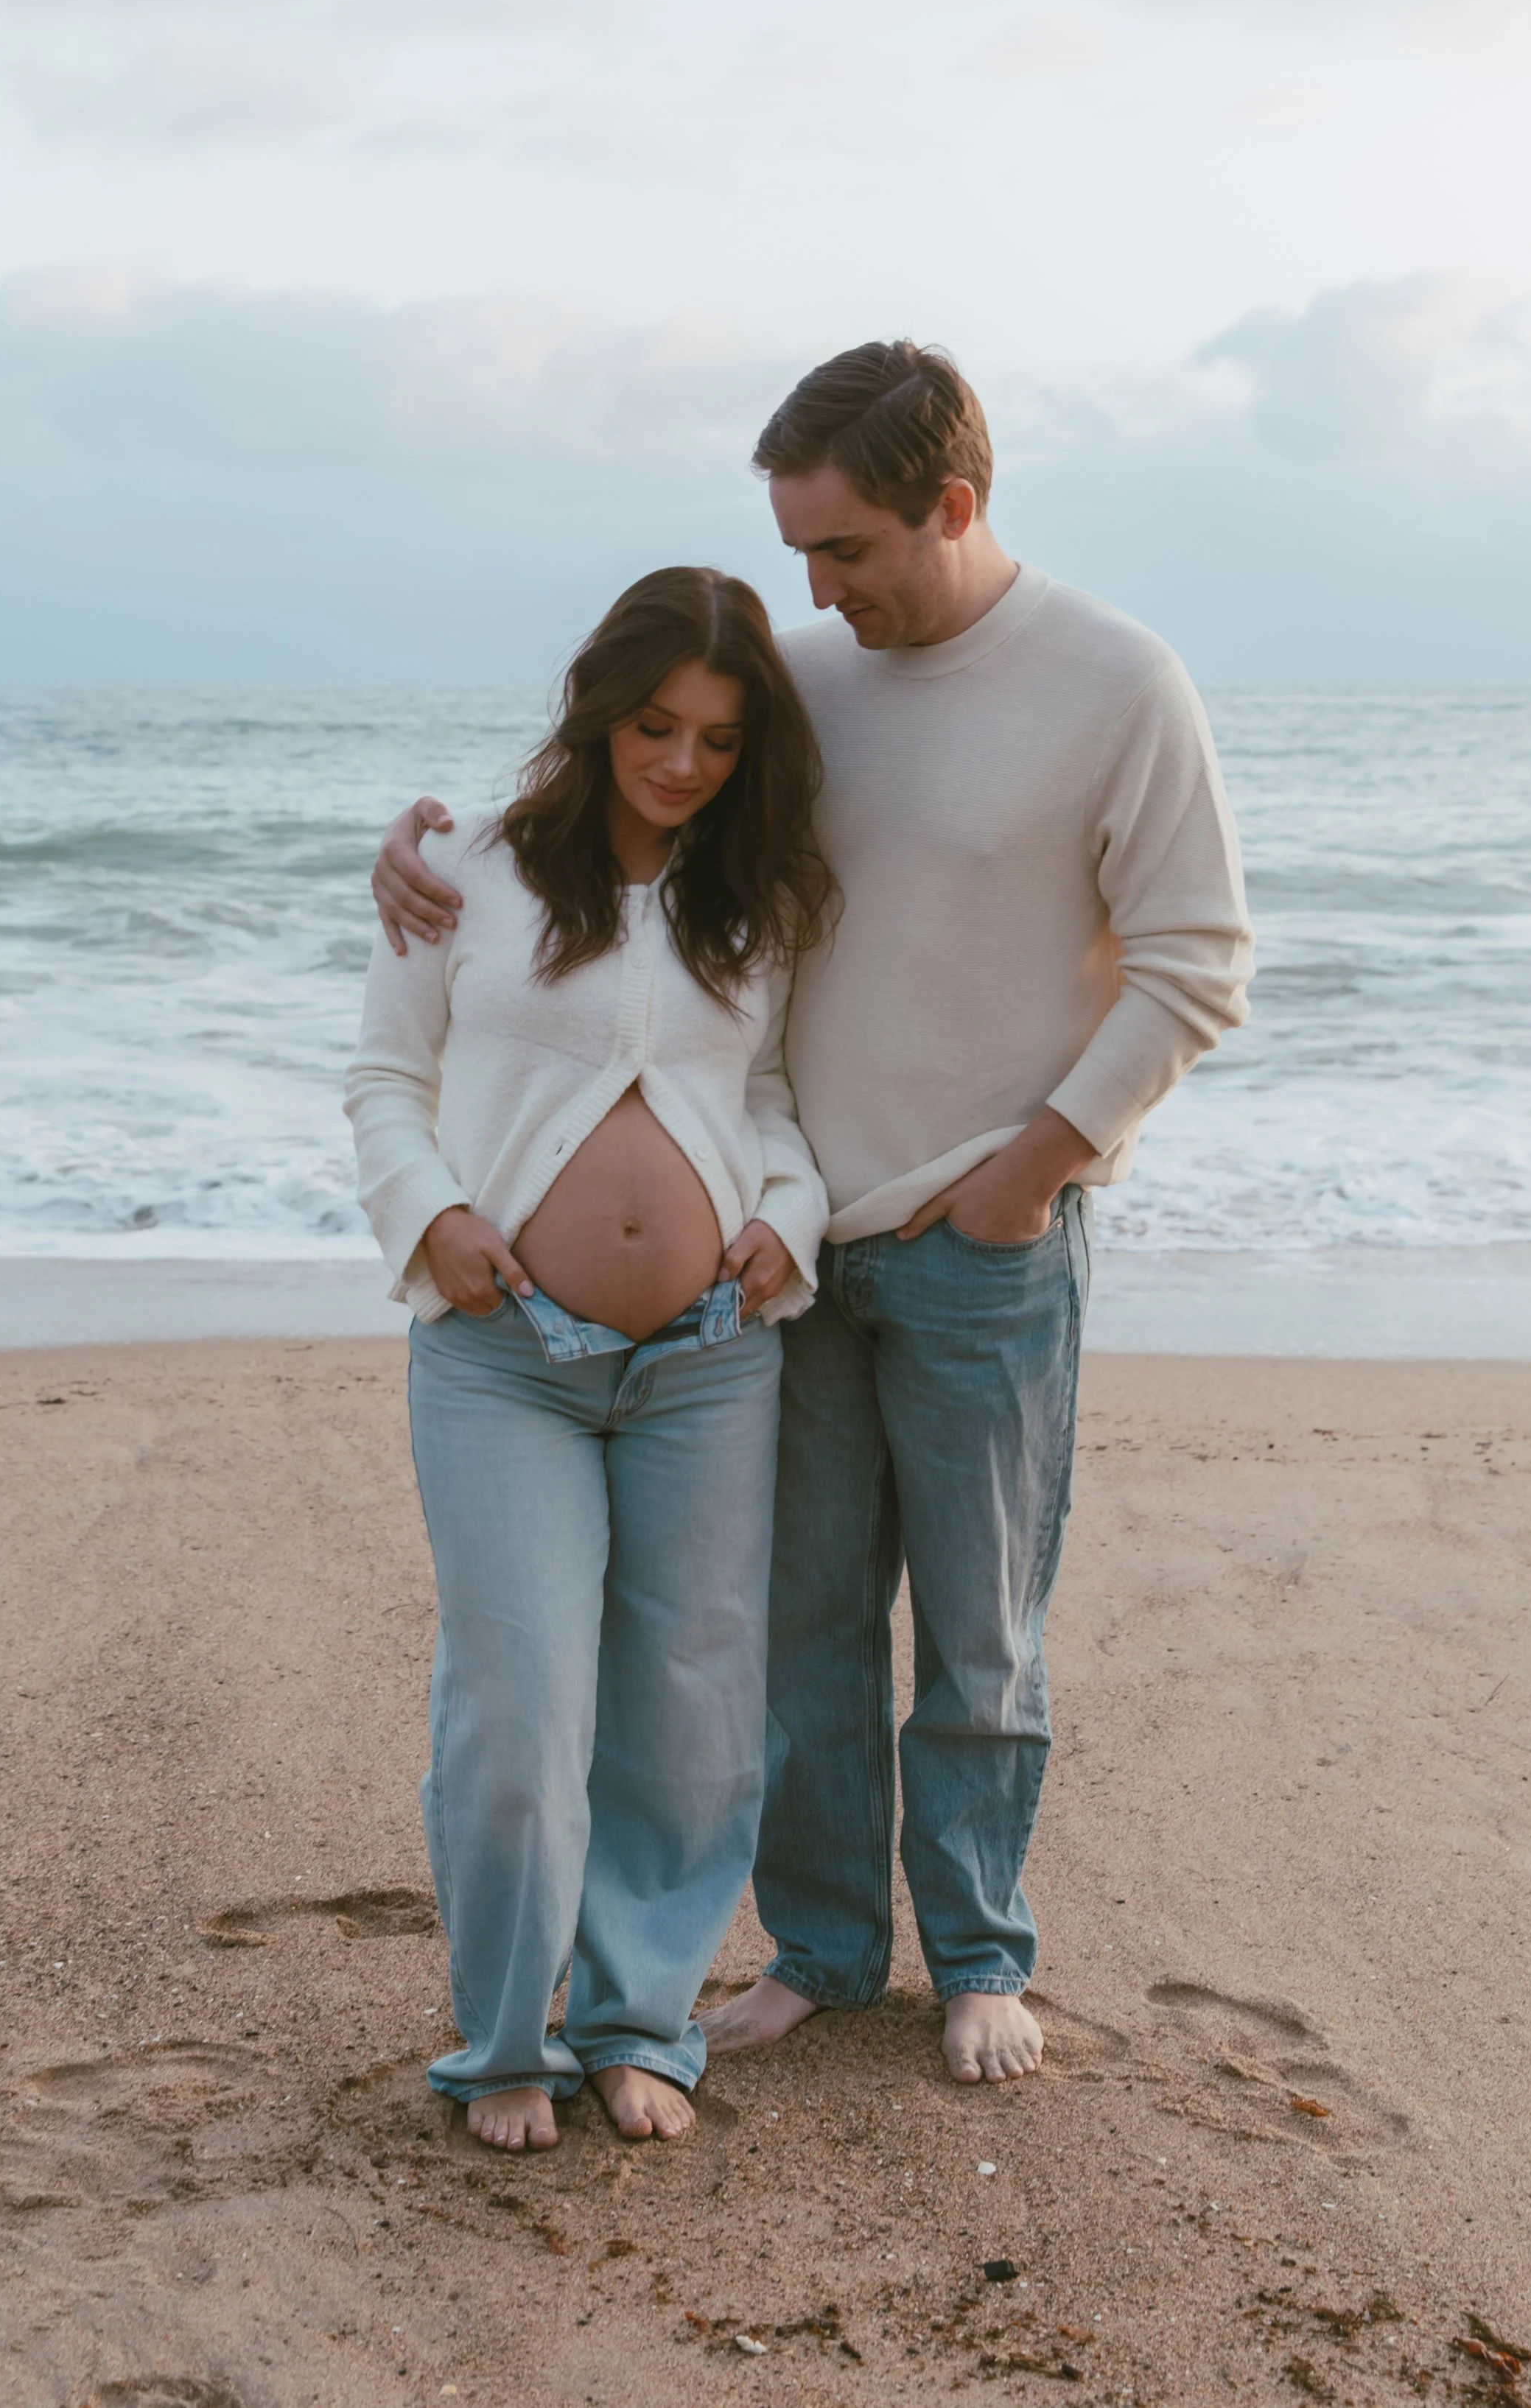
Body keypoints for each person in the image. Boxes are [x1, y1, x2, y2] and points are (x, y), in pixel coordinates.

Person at [371, 343, 1253, 2088]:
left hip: (980, 1239)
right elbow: (608, 796)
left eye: (842, 550)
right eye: (793, 556)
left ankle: (982, 1955)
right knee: (801, 1637)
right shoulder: (801, 677)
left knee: (982, 1628)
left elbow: (1194, 965)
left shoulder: (1116, 682)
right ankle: (826, 1951)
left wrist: (1027, 1174)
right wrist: (410, 847)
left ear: (952, 503)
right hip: (782, 1264)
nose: (814, 591)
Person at [346, 565, 833, 2152]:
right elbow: (384, 1080)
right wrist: (432, 1219)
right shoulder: (462, 871)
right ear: (597, 707)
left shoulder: (754, 893)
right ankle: (499, 2036)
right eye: (652, 726)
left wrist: (786, 1214)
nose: (681, 762)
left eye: (713, 737)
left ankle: (636, 2021)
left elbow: (762, 1100)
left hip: (709, 1356)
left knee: (693, 1703)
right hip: (501, 1356)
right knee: (519, 1697)